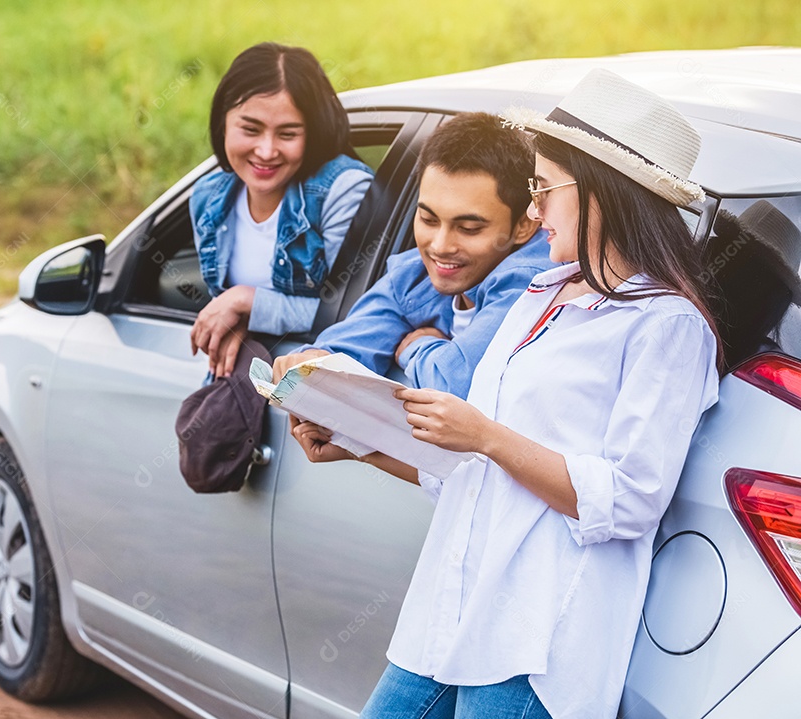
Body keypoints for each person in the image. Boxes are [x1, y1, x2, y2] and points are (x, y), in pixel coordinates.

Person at [291, 69, 723, 718]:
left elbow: (631, 498)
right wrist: (356, 444)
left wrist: (488, 434)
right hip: (448, 614)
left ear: (603, 193)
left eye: (544, 188)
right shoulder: (540, 297)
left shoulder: (666, 326)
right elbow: (471, 471)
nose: (535, 210)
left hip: (535, 643)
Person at [272, 112, 555, 397]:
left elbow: (455, 384)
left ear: (524, 226)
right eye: (428, 220)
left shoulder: (536, 278)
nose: (440, 246)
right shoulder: (413, 275)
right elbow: (341, 351)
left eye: (468, 228)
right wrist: (310, 360)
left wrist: (415, 347)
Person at [189, 42, 373, 378]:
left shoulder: (342, 190)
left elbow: (348, 312)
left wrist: (245, 301)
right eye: (250, 129)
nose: (266, 150)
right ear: (223, 123)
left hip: (315, 383)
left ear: (311, 133)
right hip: (247, 382)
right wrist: (241, 319)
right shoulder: (207, 196)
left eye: (287, 134)